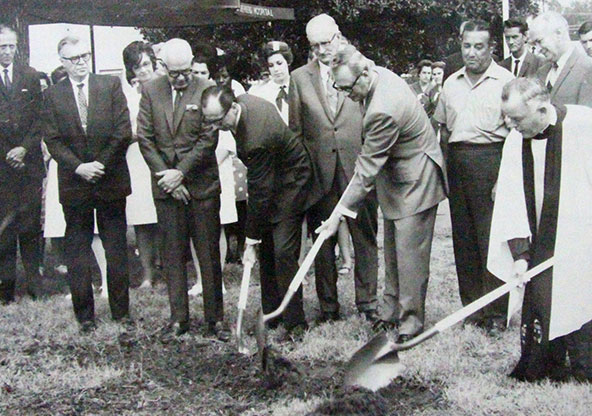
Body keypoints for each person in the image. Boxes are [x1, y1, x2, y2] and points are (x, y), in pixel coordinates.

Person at [317, 45, 447, 341]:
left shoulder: (383, 109)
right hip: (397, 176)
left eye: (348, 89)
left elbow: (365, 170)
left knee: (409, 254)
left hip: (416, 179)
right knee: (392, 248)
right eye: (339, 88)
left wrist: (337, 214)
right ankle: (390, 313)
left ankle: (411, 323)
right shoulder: (375, 77)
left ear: (364, 74)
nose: (347, 95)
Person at [488, 78, 592, 382]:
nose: (510, 124)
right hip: (540, 239)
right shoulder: (515, 140)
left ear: (542, 108)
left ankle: (585, 366)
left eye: (517, 118)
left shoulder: (584, 125)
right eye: (507, 117)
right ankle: (547, 364)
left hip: (580, 237)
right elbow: (510, 200)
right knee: (544, 293)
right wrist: (520, 253)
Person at [136, 38, 229, 341]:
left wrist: (181, 173)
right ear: (163, 68)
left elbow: (208, 138)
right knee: (173, 255)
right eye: (174, 73)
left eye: (186, 71)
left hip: (201, 187)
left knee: (208, 254)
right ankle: (179, 319)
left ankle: (215, 320)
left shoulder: (206, 88)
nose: (181, 78)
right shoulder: (151, 90)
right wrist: (168, 177)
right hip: (166, 189)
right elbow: (145, 138)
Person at [289, 14, 379, 324]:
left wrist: (369, 163)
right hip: (319, 175)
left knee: (364, 236)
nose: (321, 51)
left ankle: (368, 304)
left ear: (337, 37)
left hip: (358, 168)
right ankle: (329, 307)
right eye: (314, 46)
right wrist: (305, 172)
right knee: (322, 241)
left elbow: (372, 120)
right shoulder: (299, 78)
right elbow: (296, 132)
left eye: (325, 43)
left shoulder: (361, 66)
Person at [201, 86, 312, 333]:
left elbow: (260, 191)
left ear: (232, 108)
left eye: (218, 121)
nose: (214, 127)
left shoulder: (255, 138)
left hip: (292, 182)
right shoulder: (244, 103)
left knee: (282, 250)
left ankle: (296, 322)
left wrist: (250, 238)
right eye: (209, 121)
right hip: (272, 177)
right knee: (268, 249)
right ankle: (271, 315)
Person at [44, 35, 132, 332]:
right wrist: (79, 167)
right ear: (63, 62)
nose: (81, 62)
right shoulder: (53, 96)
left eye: (85, 56)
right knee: (77, 250)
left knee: (116, 248)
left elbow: (123, 132)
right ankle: (85, 316)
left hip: (110, 180)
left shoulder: (109, 86)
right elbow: (52, 140)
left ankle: (121, 313)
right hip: (75, 183)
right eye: (74, 58)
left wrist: (100, 166)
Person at [433, 20, 514, 333]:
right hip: (459, 163)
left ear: (491, 47)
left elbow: (514, 136)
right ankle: (473, 310)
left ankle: (496, 314)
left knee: (490, 241)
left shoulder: (505, 80)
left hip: (491, 160)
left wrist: (501, 178)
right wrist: (445, 170)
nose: (472, 53)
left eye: (479, 46)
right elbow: (443, 130)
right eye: (467, 46)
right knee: (464, 241)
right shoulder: (451, 83)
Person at [0, 25, 45, 304]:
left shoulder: (30, 75)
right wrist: (8, 153)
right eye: (1, 47)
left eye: (10, 47)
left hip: (28, 164)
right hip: (2, 165)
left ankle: (35, 286)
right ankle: (5, 289)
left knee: (30, 225)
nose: (6, 52)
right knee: (4, 227)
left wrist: (24, 149)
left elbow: (40, 118)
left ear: (17, 47)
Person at [122, 41, 160, 289]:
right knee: (142, 219)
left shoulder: (165, 87)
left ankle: (170, 266)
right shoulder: (126, 95)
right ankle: (148, 273)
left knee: (167, 218)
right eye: (137, 67)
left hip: (162, 157)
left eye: (146, 64)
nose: (143, 71)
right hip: (136, 159)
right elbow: (123, 129)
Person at [529, 11, 592, 107]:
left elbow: (587, 118)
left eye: (539, 41)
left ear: (558, 34)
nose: (538, 49)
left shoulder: (588, 68)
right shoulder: (542, 71)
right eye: (534, 44)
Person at [249, 41, 293, 124]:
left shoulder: (298, 85)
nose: (276, 69)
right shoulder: (261, 93)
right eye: (271, 65)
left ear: (288, 62)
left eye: (279, 63)